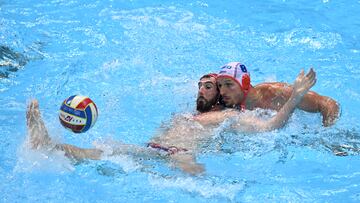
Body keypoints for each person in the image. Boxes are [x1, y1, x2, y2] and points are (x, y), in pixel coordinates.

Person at [26, 68, 316, 175]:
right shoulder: (192, 113)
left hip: (181, 156)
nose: (202, 88)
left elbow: (268, 128)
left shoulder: (228, 116)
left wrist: (294, 98)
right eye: (201, 84)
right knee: (103, 151)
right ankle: (47, 144)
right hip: (155, 149)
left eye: (210, 86)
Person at [216, 62, 339, 126]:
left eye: (229, 84)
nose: (222, 92)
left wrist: (328, 131)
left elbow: (328, 103)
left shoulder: (275, 93)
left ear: (245, 82)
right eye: (220, 85)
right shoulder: (229, 106)